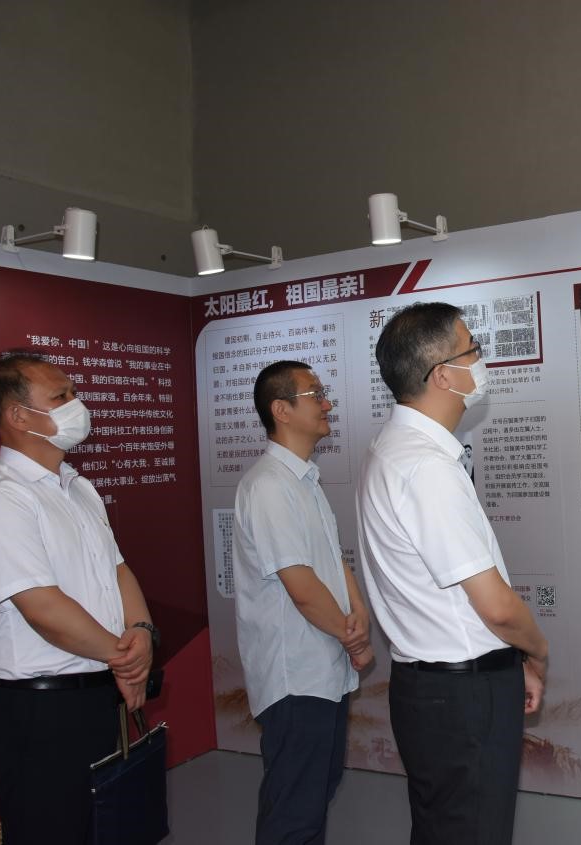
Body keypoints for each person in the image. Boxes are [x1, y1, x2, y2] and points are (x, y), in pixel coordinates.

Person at [358, 302, 549, 845]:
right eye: (473, 350)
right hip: (464, 696)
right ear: (442, 375)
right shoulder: (425, 466)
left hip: (432, 688)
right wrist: (537, 652)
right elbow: (497, 607)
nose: (481, 361)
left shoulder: (393, 449)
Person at [0, 350, 156, 844]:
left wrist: (142, 632)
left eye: (73, 393)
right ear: (18, 416)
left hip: (97, 695)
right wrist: (126, 660)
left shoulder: (77, 488)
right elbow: (42, 607)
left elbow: (117, 569)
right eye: (61, 396)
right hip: (39, 714)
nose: (77, 404)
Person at [233, 360, 373, 845]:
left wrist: (357, 617)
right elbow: (300, 583)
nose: (327, 403)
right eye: (315, 394)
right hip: (295, 676)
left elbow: (332, 561)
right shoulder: (269, 485)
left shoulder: (303, 481)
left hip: (322, 668)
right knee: (294, 810)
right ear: (282, 410)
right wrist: (352, 637)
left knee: (315, 794)